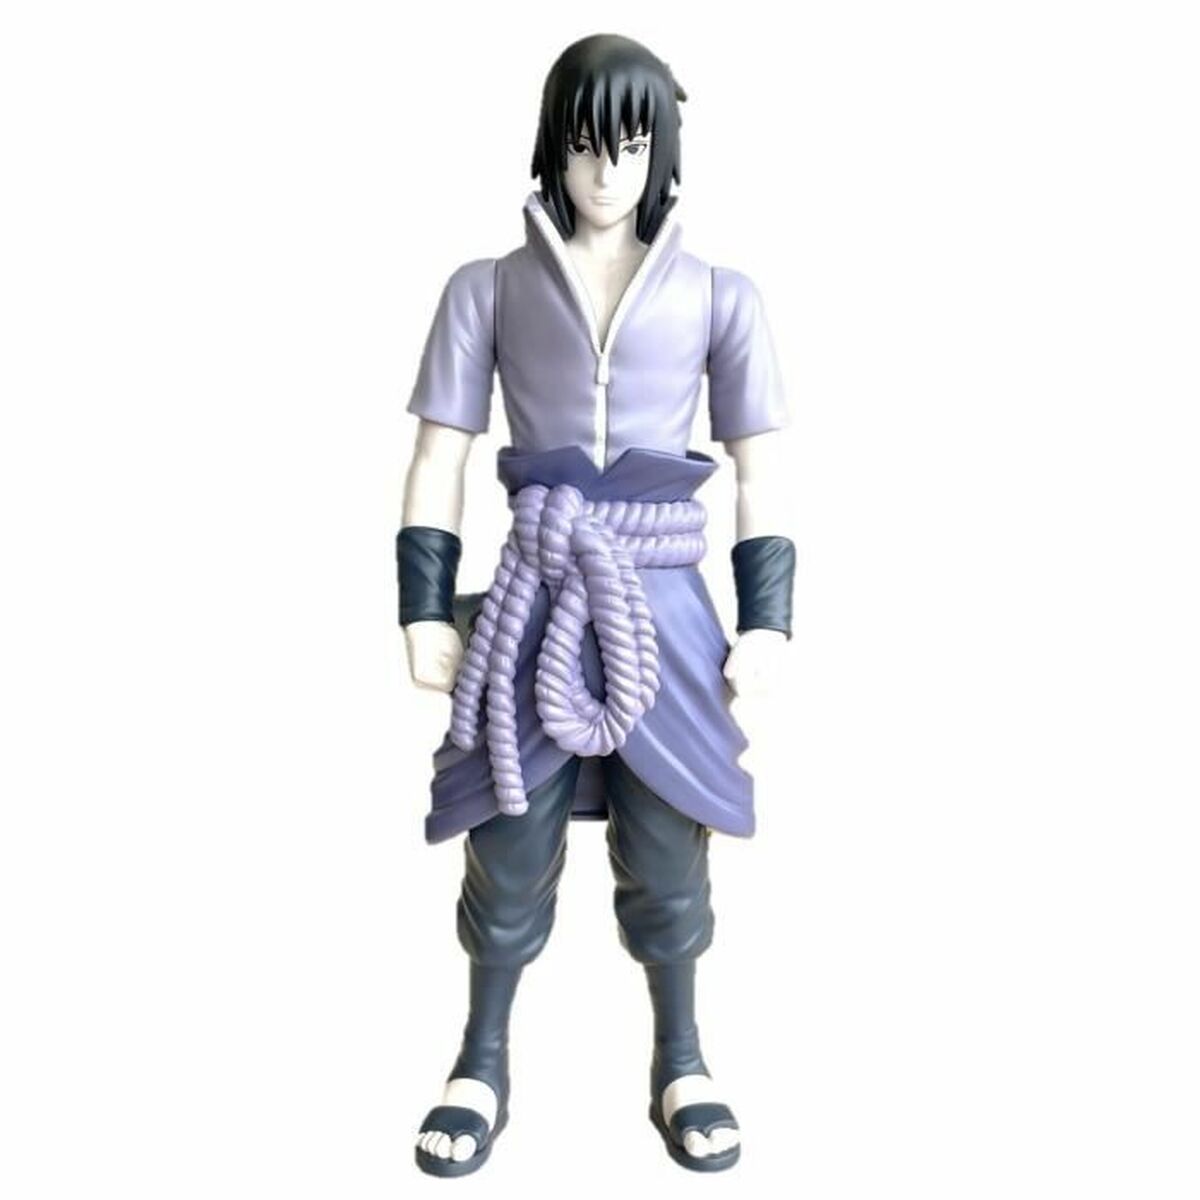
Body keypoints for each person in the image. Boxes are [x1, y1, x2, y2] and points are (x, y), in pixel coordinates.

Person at [397, 33, 795, 1176]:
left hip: (665, 606)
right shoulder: (486, 289)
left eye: (627, 144)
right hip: (534, 599)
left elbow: (762, 471)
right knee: (506, 834)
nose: (605, 170)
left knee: (669, 845)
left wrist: (767, 617)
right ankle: (480, 1058)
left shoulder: (722, 297)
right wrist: (423, 605)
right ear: (553, 148)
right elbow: (438, 458)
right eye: (582, 144)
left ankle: (683, 1057)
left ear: (661, 148)